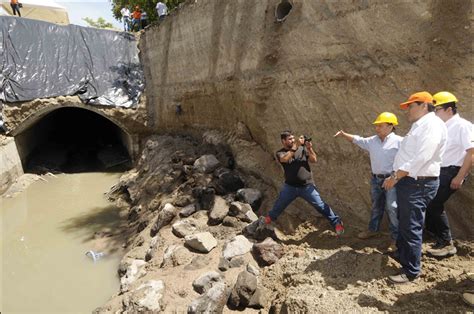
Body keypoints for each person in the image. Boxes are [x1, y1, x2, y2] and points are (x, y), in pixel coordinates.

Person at [382, 91, 447, 284]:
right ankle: (405, 256)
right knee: (406, 222)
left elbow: (423, 156)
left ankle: (411, 271)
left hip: (418, 182)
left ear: (424, 105)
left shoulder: (432, 125)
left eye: (411, 106)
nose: (407, 110)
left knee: (411, 226)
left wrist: (396, 176)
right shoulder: (421, 125)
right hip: (411, 182)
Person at [334, 112, 402, 252]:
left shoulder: (400, 142)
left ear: (391, 126)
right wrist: (343, 134)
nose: (377, 128)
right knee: (376, 206)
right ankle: (373, 230)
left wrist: (396, 177)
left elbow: (407, 161)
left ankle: (396, 238)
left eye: (380, 126)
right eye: (376, 126)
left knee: (392, 208)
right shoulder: (373, 140)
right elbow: (358, 140)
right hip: (376, 179)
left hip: (392, 180)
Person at [264, 130, 344, 236]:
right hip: (290, 187)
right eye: (290, 139)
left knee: (320, 205)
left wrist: (309, 148)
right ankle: (267, 220)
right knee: (279, 205)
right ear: (283, 141)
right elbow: (285, 159)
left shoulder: (302, 149)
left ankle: (337, 223)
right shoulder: (280, 153)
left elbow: (314, 160)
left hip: (307, 186)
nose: (293, 140)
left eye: (293, 138)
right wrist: (296, 146)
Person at [425, 92, 473, 258]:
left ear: (449, 109)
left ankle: (446, 243)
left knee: (434, 204)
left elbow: (472, 153)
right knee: (429, 203)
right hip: (440, 171)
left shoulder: (462, 126)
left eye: (437, 109)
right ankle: (438, 237)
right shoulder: (442, 127)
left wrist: (460, 176)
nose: (434, 113)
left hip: (452, 171)